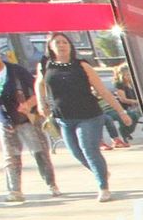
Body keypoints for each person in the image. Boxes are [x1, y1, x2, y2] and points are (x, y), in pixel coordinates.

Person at [34, 31, 132, 202]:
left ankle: (103, 186)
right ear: (50, 46)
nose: (62, 45)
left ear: (70, 46)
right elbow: (39, 84)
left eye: (65, 42)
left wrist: (121, 111)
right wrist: (41, 103)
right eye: (57, 42)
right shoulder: (46, 65)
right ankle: (100, 170)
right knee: (75, 152)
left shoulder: (82, 65)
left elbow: (102, 90)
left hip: (89, 115)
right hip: (63, 117)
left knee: (89, 150)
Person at [0, 36, 58, 203]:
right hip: (5, 123)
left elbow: (39, 89)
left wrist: (29, 104)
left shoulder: (15, 70)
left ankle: (51, 184)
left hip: (25, 119)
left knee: (39, 153)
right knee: (11, 158)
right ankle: (15, 191)